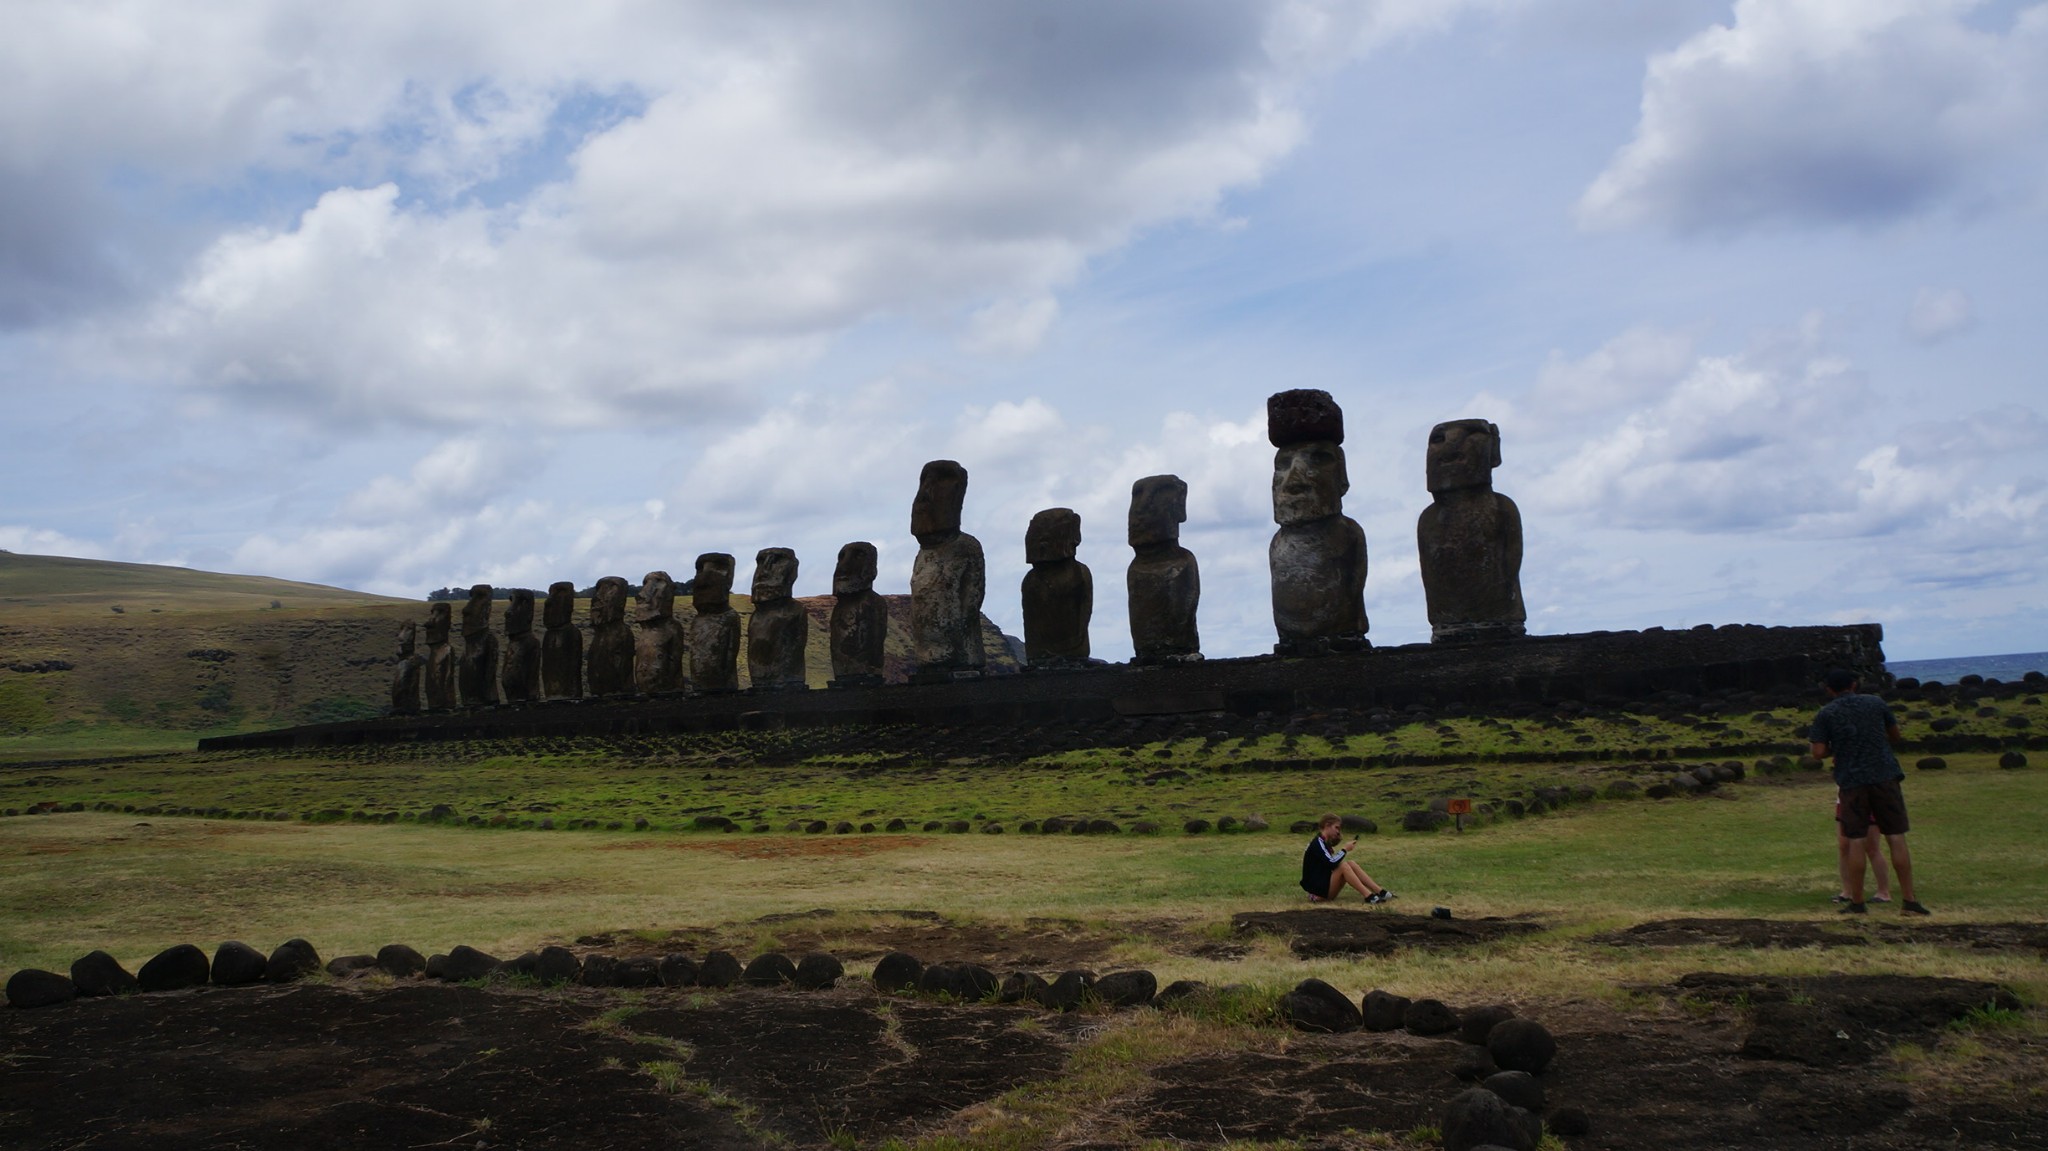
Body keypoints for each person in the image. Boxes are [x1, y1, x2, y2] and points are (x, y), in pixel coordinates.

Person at [1810, 668, 1929, 916]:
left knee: (1855, 840)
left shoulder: (1827, 713)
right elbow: (1895, 735)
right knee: (1896, 836)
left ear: (1829, 689)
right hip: (1884, 775)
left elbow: (1818, 752)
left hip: (1852, 780)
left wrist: (1839, 747)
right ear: (1855, 684)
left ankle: (1857, 901)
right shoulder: (1876, 703)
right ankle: (1909, 900)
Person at [1301, 814, 1392, 904]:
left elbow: (1329, 864)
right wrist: (1344, 849)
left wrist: (1339, 842)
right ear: (1327, 825)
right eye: (1336, 828)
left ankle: (1380, 891)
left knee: (1351, 863)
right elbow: (1331, 863)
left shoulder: (1323, 842)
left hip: (1322, 888)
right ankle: (1368, 896)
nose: (1338, 831)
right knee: (1343, 866)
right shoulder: (1317, 843)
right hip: (1317, 893)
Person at [1833, 802, 1892, 905]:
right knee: (1844, 846)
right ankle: (1848, 891)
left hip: (1867, 796)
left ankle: (1883, 891)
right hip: (1846, 797)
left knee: (1872, 847)